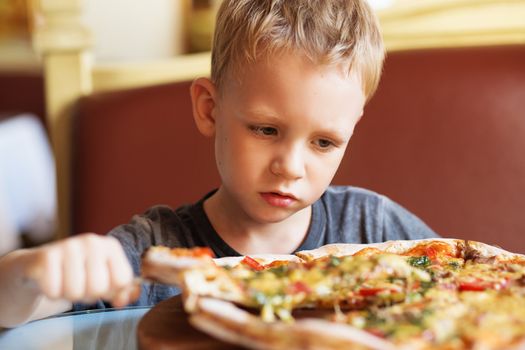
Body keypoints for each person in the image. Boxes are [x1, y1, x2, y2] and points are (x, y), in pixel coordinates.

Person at [0, 0, 438, 328]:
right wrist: (30, 274)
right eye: (266, 130)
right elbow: (12, 311)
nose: (290, 167)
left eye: (324, 142)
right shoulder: (154, 252)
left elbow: (484, 296)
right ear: (209, 109)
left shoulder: (375, 231)